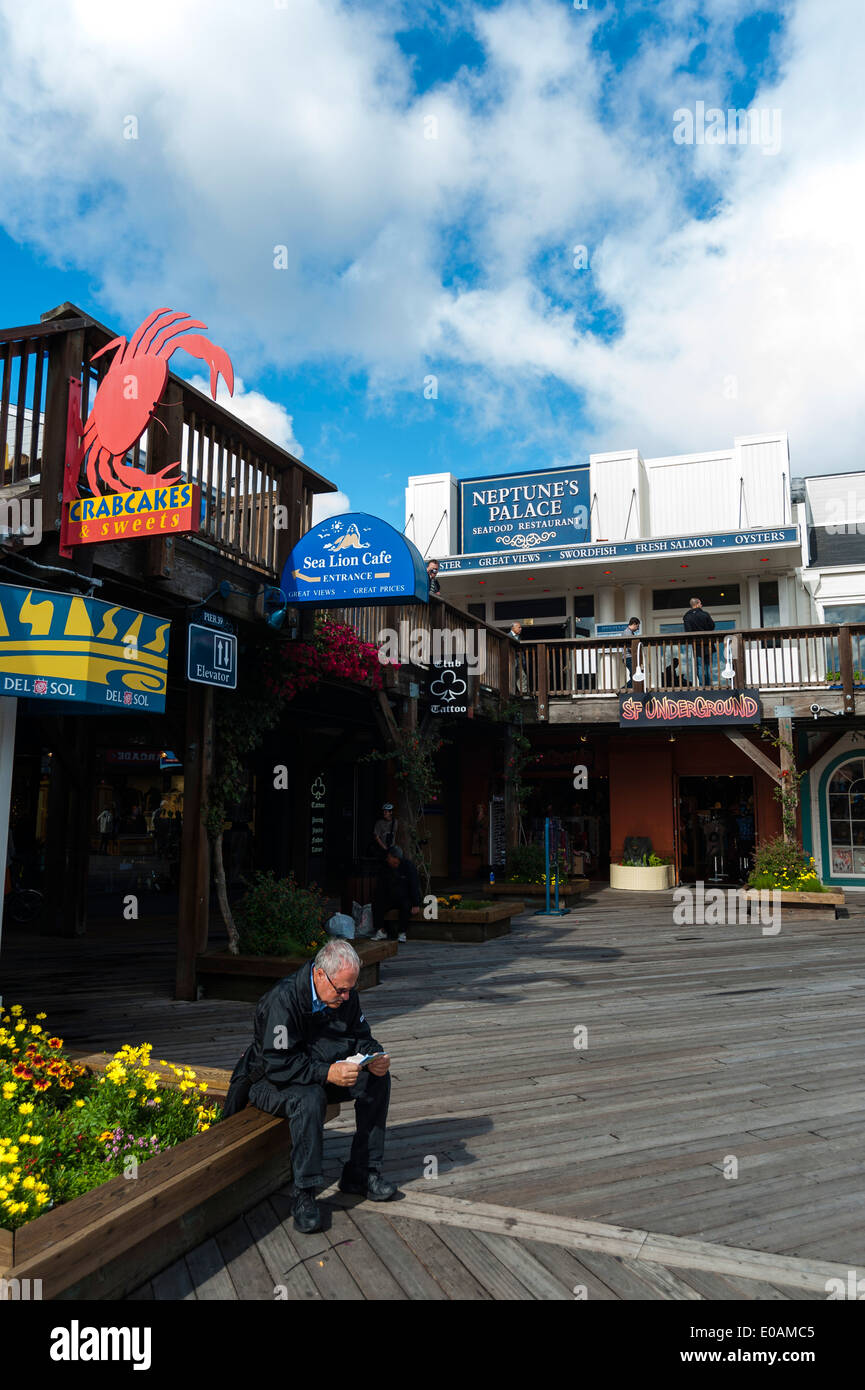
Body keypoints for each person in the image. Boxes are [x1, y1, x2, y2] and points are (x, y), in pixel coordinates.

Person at [222, 939, 396, 1235]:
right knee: (310, 1098)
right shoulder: (282, 1000)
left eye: (350, 989)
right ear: (318, 974)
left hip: (317, 1070)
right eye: (340, 989)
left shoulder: (344, 993)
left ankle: (361, 1172)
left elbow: (361, 1036)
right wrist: (328, 1073)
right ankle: (304, 1193)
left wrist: (376, 1055)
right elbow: (278, 1064)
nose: (345, 996)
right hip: (270, 1080)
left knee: (376, 1079)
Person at [371, 845, 421, 943]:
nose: (387, 859)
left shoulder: (408, 866)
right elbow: (381, 886)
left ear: (395, 858)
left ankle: (402, 932)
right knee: (377, 903)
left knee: (406, 906)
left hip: (404, 897)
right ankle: (381, 930)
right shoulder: (385, 867)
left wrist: (416, 903)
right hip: (390, 897)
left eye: (389, 857)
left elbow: (414, 885)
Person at [683, 597, 716, 685]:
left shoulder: (687, 616)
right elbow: (712, 626)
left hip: (696, 645)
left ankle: (703, 686)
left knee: (700, 667)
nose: (701, 605)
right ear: (697, 604)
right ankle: (708, 686)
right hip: (708, 643)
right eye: (701, 604)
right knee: (708, 666)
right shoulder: (705, 614)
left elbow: (688, 631)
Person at [508, 620, 528, 694]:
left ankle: (524, 696)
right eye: (519, 627)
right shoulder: (507, 636)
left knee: (522, 678)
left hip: (519, 662)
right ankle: (510, 696)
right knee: (511, 679)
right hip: (511, 662)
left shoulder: (519, 637)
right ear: (513, 628)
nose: (521, 629)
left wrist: (523, 662)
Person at [622, 616, 641, 689]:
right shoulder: (628, 633)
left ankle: (626, 690)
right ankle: (622, 690)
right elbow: (630, 647)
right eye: (637, 626)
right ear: (633, 624)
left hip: (628, 657)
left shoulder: (629, 632)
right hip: (628, 657)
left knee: (634, 675)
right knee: (635, 676)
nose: (638, 628)